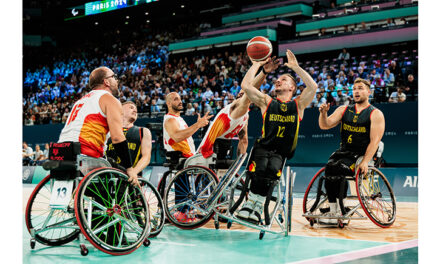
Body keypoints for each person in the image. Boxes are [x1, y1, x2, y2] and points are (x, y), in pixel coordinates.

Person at [237, 50, 318, 223]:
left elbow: (313, 87)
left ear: (292, 88)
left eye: (284, 80)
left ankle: (258, 205)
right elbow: (246, 86)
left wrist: (296, 68)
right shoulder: (267, 101)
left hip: (281, 153)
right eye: (278, 79)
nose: (278, 80)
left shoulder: (299, 104)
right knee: (260, 169)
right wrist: (258, 66)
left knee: (272, 170)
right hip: (263, 147)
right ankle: (250, 203)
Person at [318, 78, 385, 224]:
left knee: (338, 168)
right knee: (330, 167)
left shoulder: (375, 114)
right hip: (344, 152)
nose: (356, 91)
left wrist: (366, 161)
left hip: (361, 155)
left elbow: (375, 141)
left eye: (360, 88)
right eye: (354, 89)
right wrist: (323, 113)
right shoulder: (343, 110)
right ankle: (333, 210)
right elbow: (325, 125)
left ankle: (340, 209)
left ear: (369, 92)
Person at [58, 66, 139, 186]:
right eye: (114, 77)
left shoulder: (80, 101)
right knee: (124, 176)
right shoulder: (109, 99)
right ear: (106, 81)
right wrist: (130, 168)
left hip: (61, 151)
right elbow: (117, 138)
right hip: (85, 154)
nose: (117, 81)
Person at [197, 58, 281, 160]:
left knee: (224, 168)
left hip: (224, 140)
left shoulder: (245, 114)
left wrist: (239, 161)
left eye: (244, 92)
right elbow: (249, 88)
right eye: (242, 92)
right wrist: (262, 71)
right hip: (212, 142)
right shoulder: (237, 105)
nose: (243, 93)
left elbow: (244, 139)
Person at [163, 92, 212, 222]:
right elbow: (177, 136)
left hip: (188, 156)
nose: (180, 101)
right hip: (179, 157)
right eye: (175, 99)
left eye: (180, 99)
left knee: (211, 159)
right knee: (210, 163)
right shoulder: (170, 119)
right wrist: (197, 125)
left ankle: (205, 202)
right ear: (168, 103)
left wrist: (199, 125)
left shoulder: (179, 119)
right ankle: (193, 207)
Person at [106, 101, 152, 178]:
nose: (135, 111)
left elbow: (146, 157)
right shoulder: (109, 131)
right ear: (120, 110)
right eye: (131, 107)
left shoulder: (143, 131)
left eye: (136, 110)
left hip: (131, 177)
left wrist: (133, 173)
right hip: (109, 177)